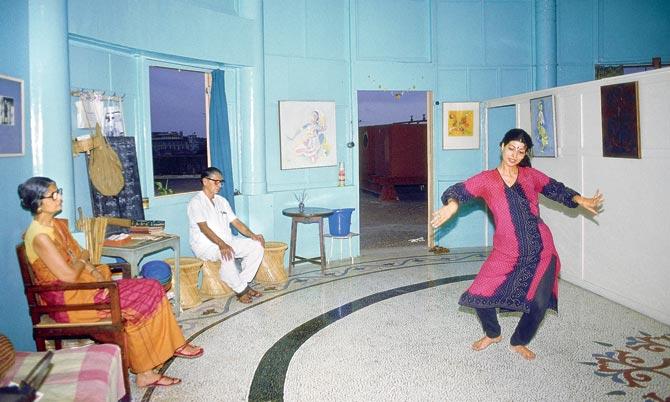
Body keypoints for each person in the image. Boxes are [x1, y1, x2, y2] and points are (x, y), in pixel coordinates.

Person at [430, 128, 604, 360]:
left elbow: (555, 189)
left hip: (541, 248)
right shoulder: (487, 179)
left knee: (539, 303)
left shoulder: (530, 176)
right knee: (480, 295)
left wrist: (581, 199)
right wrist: (452, 205)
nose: (515, 154)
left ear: (525, 154)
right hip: (506, 251)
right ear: (502, 146)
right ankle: (493, 334)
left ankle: (519, 341)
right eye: (511, 148)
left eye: (521, 151)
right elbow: (458, 191)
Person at [17, 176, 203, 388]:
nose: (60, 197)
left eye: (58, 191)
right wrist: (81, 263)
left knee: (152, 286)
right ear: (38, 202)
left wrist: (81, 263)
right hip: (73, 300)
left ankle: (172, 346)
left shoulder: (56, 225)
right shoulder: (39, 236)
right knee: (138, 304)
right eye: (53, 194)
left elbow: (83, 255)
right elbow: (69, 275)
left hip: (88, 286)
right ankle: (146, 372)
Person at [187, 167, 265, 304]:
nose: (220, 185)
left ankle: (243, 284)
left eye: (221, 182)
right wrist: (221, 244)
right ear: (205, 181)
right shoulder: (196, 202)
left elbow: (236, 222)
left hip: (227, 240)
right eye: (216, 182)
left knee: (257, 245)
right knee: (227, 255)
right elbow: (204, 229)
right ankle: (241, 290)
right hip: (206, 245)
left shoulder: (221, 201)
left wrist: (253, 235)